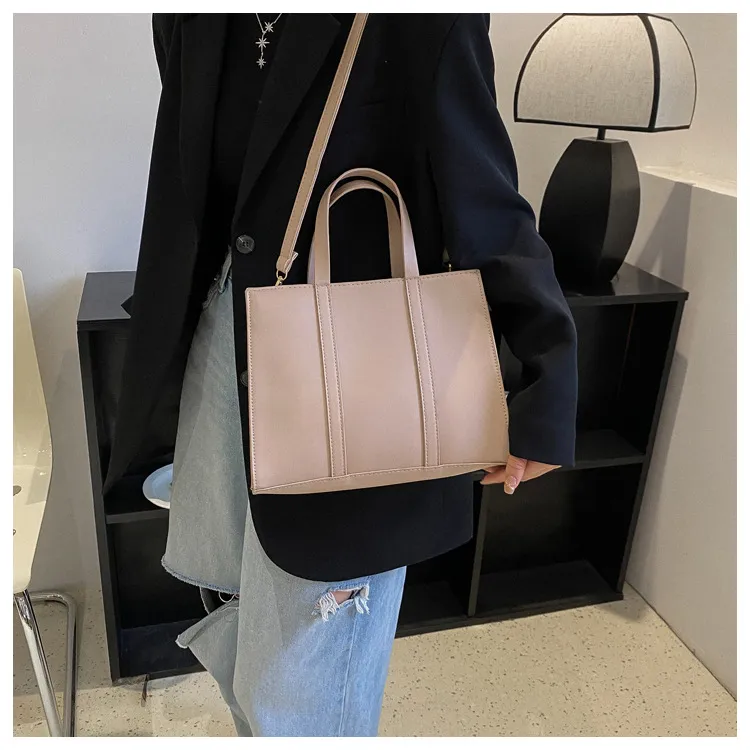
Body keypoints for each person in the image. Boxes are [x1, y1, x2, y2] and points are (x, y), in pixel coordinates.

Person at [104, 13, 578, 737]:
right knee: (235, 608)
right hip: (222, 343)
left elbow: (484, 198)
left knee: (304, 679)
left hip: (359, 371)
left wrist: (548, 382)